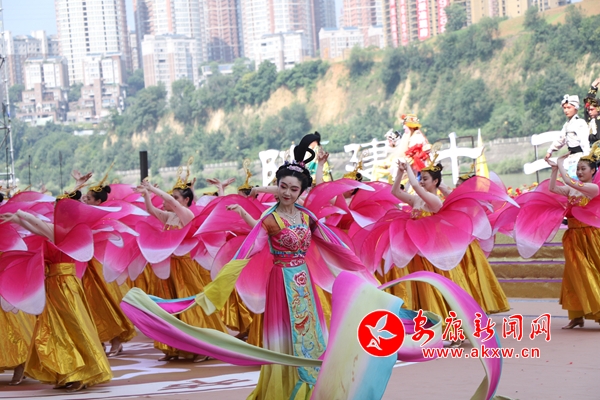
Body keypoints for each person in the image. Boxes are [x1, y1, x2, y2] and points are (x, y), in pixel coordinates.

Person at [0, 194, 113, 392]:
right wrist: (19, 219)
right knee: (60, 328)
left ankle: (83, 373)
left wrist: (20, 214)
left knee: (74, 327)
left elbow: (42, 227)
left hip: (64, 285)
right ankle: (70, 372)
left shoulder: (65, 231)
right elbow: (39, 229)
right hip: (57, 284)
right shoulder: (61, 230)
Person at [135, 172, 229, 362]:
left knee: (190, 306)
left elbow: (172, 202)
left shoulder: (187, 215)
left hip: (185, 268)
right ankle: (174, 348)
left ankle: (204, 347)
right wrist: (146, 195)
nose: (171, 200)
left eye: (176, 197)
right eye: (172, 196)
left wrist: (152, 188)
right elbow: (150, 209)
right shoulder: (169, 217)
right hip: (169, 267)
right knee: (169, 306)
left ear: (186, 200)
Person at [81, 169, 137, 357]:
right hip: (87, 266)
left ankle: (116, 341)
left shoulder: (105, 218)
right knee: (91, 305)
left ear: (98, 202)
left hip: (101, 266)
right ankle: (100, 341)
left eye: (89, 198)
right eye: (85, 197)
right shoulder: (86, 215)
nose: (85, 200)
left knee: (107, 302)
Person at [547, 148, 600, 328]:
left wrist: (561, 163)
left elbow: (570, 181)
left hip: (589, 236)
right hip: (572, 236)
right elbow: (552, 188)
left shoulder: (593, 188)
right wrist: (555, 170)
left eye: (583, 168)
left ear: (593, 171)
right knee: (574, 274)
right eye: (578, 168)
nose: (579, 172)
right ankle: (577, 315)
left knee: (590, 272)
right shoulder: (572, 188)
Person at [545, 94, 590, 161]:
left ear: (575, 108)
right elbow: (561, 139)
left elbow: (584, 141)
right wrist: (550, 150)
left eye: (569, 108)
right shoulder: (567, 124)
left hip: (580, 155)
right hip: (571, 155)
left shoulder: (580, 122)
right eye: (564, 108)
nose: (566, 110)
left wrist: (586, 157)